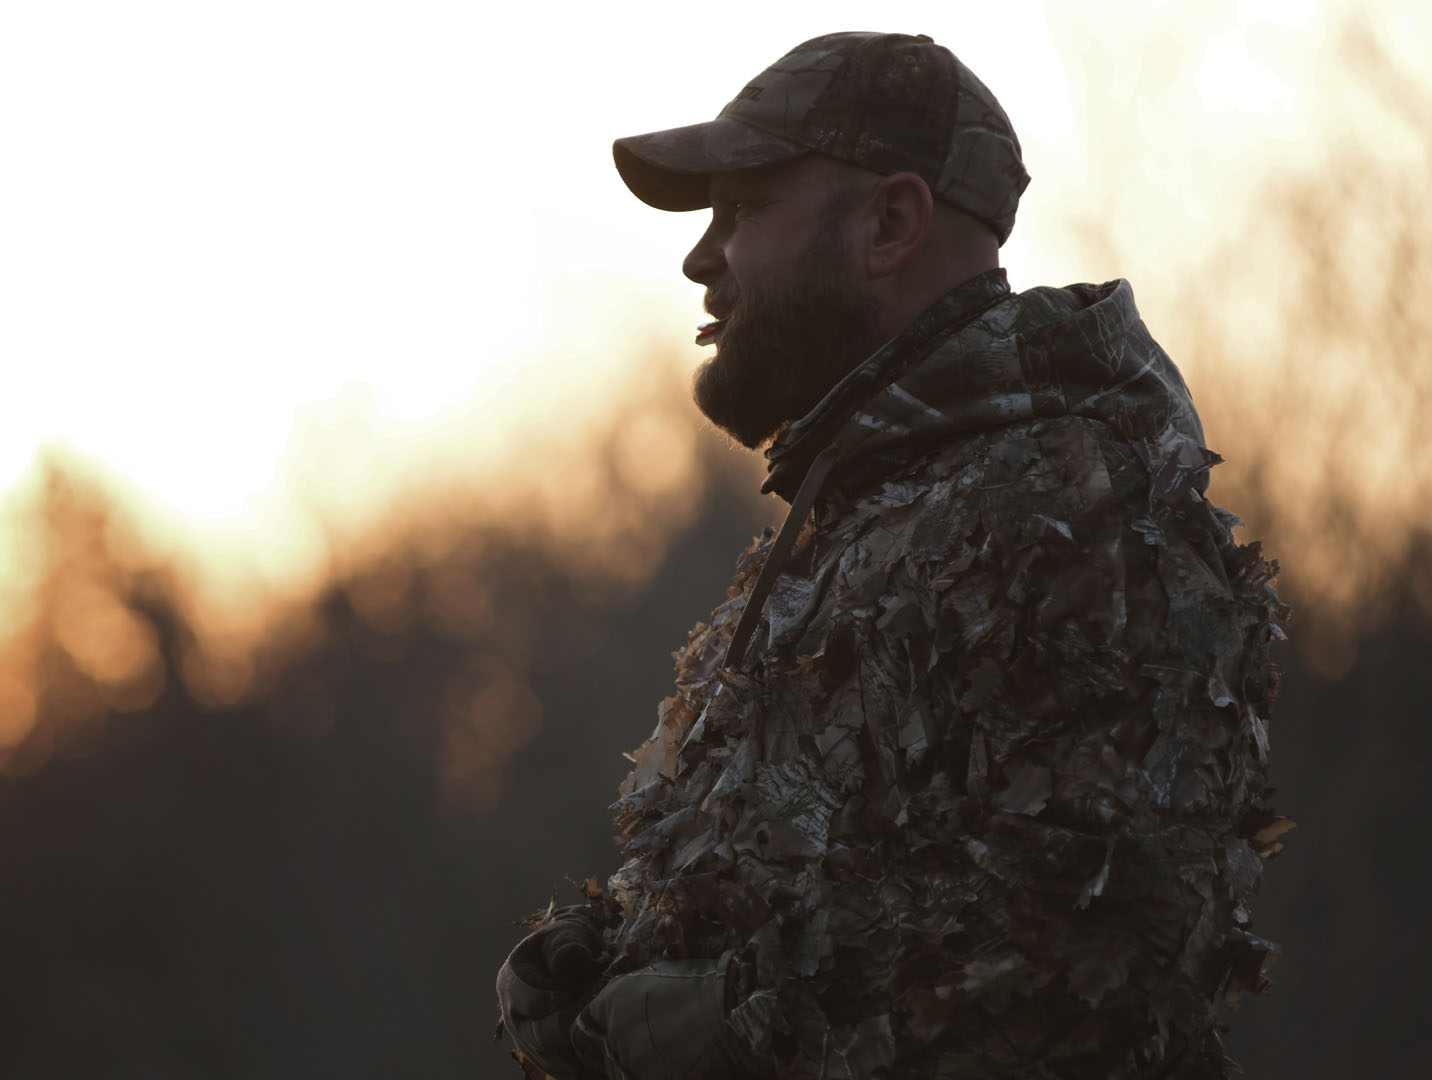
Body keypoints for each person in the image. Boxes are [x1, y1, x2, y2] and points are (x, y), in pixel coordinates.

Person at [496, 31, 1289, 1080]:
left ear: (890, 224)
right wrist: (604, 979)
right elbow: (834, 880)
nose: (700, 257)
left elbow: (1105, 940)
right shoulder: (872, 511)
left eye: (741, 210)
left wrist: (740, 1023)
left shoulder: (1074, 507)